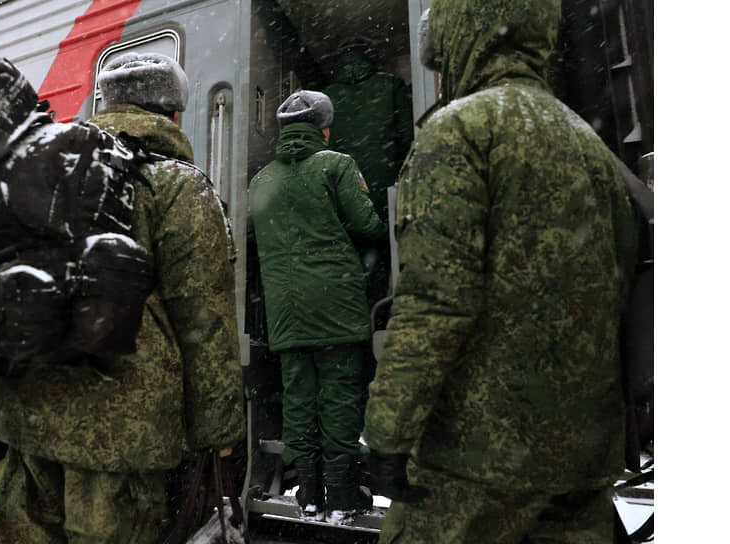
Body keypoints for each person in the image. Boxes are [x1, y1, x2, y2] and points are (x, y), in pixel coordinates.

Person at [364, 1, 638, 543]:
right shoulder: (589, 144)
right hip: (582, 459)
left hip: (477, 461)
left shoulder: (459, 131)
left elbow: (435, 303)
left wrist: (388, 434)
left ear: (462, 29)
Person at [0, 52, 245, 543]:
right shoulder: (178, 186)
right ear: (173, 114)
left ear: (106, 105)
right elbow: (204, 321)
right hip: (117, 427)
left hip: (18, 410)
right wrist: (219, 432)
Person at [247, 90, 385, 520]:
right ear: (323, 129)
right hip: (335, 305)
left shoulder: (261, 180)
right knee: (339, 395)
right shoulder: (336, 165)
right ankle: (341, 495)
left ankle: (307, 492)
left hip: (285, 311)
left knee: (298, 397)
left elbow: (253, 238)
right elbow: (368, 226)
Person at [323, 37, 414, 311]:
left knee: (346, 263)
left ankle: (353, 313)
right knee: (383, 259)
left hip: (342, 196)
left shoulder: (328, 97)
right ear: (370, 57)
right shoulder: (391, 86)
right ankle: (378, 312)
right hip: (383, 192)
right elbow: (408, 138)